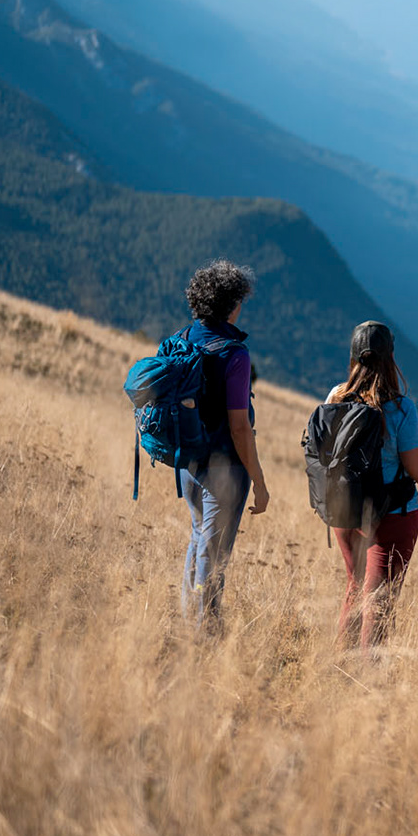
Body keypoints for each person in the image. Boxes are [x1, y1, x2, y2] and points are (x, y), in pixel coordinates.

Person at [327, 320, 418, 649]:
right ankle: (368, 673)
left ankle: (341, 665)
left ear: (353, 357)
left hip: (345, 510)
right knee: (379, 601)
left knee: (356, 586)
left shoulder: (336, 396)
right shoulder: (399, 408)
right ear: (390, 358)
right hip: (392, 517)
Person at [178, 260, 269, 632]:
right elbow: (239, 427)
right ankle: (206, 630)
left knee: (199, 536)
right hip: (224, 470)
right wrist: (259, 482)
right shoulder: (235, 354)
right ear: (232, 304)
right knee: (214, 555)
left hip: (188, 464)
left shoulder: (184, 337)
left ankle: (189, 618)